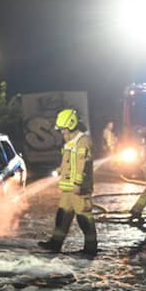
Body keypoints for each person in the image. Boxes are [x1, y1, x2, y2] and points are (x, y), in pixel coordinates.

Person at [39, 108, 97, 256]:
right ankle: (55, 243)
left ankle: (91, 247)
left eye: (63, 130)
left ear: (71, 126)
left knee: (84, 218)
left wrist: (78, 183)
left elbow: (81, 164)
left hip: (78, 189)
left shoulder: (82, 141)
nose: (62, 133)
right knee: (62, 216)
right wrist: (60, 170)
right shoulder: (71, 142)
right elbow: (69, 163)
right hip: (68, 189)